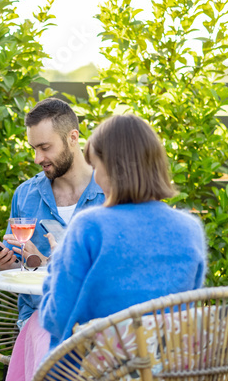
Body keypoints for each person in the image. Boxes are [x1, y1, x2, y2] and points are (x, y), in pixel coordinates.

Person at [39, 114, 207, 352]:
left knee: (31, 337)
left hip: (96, 380)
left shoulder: (89, 226)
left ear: (115, 167)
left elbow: (55, 319)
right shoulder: (190, 229)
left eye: (96, 167)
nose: (95, 177)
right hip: (171, 379)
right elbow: (184, 313)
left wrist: (56, 266)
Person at [0, 98, 105, 381]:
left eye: (45, 148)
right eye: (34, 149)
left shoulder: (108, 192)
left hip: (96, 316)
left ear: (73, 138)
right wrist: (6, 262)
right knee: (47, 341)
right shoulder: (26, 194)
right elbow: (23, 269)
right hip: (40, 313)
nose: (38, 159)